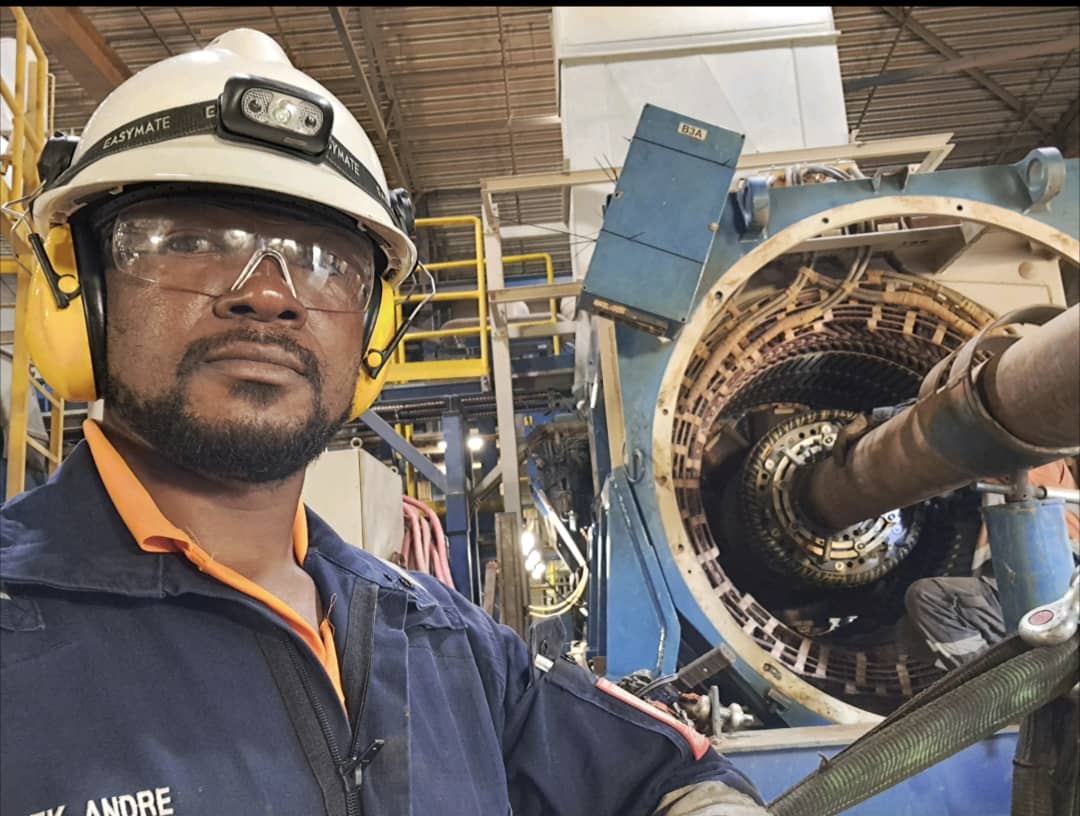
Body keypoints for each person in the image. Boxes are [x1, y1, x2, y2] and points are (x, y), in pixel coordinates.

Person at [0, 29, 766, 816]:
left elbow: (663, 773)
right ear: (77, 286)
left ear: (374, 335)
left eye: (325, 263)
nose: (269, 294)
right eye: (190, 241)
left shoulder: (442, 643)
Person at [905, 459, 1080, 670]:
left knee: (929, 597)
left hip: (1054, 577)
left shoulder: (1034, 456)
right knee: (907, 632)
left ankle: (999, 681)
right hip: (1018, 584)